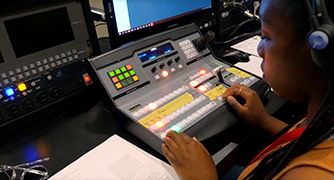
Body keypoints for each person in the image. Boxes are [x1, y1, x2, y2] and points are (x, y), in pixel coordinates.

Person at [161, 0, 334, 179]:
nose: (259, 49)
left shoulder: (312, 175)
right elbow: (304, 138)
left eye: (266, 37)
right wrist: (265, 121)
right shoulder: (324, 116)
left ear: (318, 51)